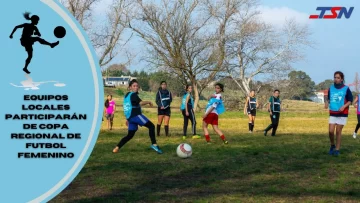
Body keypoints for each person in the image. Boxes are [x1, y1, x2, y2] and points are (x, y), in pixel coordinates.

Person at [112, 79, 163, 154]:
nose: (136, 87)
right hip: (136, 116)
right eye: (134, 86)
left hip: (130, 118)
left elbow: (127, 107)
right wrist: (149, 102)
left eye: (137, 86)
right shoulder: (133, 95)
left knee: (130, 135)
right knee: (151, 126)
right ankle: (154, 144)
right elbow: (141, 103)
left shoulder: (127, 95)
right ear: (130, 87)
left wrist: (128, 119)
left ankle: (116, 148)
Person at [325, 71, 353, 156]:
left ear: (341, 79)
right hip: (333, 112)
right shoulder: (331, 88)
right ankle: (332, 145)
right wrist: (326, 102)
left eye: (338, 78)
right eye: (335, 77)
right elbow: (328, 98)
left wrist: (344, 106)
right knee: (330, 131)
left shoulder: (346, 88)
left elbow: (350, 100)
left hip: (342, 113)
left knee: (338, 131)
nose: (336, 79)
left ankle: (337, 150)